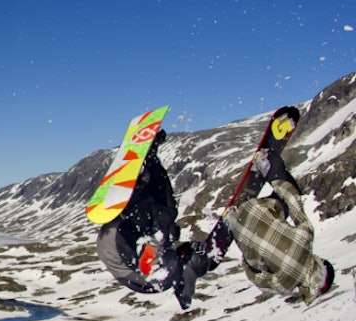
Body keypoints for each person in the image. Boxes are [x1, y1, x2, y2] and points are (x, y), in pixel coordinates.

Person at [95, 130, 210, 309]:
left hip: (118, 249)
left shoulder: (164, 274)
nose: (188, 250)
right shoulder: (169, 266)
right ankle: (150, 162)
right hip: (118, 244)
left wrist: (138, 190)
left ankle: (144, 173)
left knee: (160, 220)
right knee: (166, 215)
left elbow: (148, 251)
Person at [221, 149, 335, 303]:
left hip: (254, 208)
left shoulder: (307, 238)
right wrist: (247, 256)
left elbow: (293, 199)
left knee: (286, 203)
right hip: (239, 233)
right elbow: (255, 278)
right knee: (259, 267)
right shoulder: (284, 287)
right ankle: (232, 220)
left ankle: (266, 164)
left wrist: (276, 177)